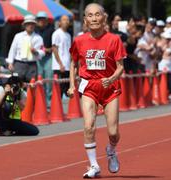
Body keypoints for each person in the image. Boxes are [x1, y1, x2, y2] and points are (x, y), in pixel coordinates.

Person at [68, 3, 127, 178]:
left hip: (109, 87)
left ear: (104, 18)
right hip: (88, 86)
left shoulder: (114, 39)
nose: (94, 18)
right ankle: (94, 165)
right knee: (88, 126)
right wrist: (72, 85)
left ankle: (111, 149)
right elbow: (73, 64)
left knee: (113, 132)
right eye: (90, 15)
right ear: (85, 20)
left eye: (97, 15)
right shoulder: (79, 41)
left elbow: (120, 67)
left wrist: (112, 79)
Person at [6, 15, 45, 83]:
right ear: (25, 25)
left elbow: (43, 51)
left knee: (32, 85)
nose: (30, 26)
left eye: (32, 24)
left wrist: (36, 52)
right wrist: (10, 63)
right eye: (28, 24)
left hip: (32, 65)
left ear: (35, 25)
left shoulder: (38, 38)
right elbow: (13, 49)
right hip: (19, 64)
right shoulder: (18, 36)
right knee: (16, 85)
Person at [35, 11, 55, 108]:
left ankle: (49, 102)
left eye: (43, 19)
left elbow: (55, 46)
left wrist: (47, 49)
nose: (41, 21)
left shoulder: (51, 30)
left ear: (46, 20)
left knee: (48, 78)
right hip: (38, 57)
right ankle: (40, 102)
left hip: (48, 57)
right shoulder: (34, 30)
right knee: (39, 79)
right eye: (39, 19)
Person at [52, 15, 72, 98]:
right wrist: (60, 64)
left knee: (67, 89)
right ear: (59, 23)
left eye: (67, 20)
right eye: (64, 20)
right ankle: (56, 109)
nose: (66, 21)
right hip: (59, 66)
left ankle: (66, 110)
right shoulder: (56, 33)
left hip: (67, 66)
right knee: (58, 90)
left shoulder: (68, 35)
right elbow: (54, 49)